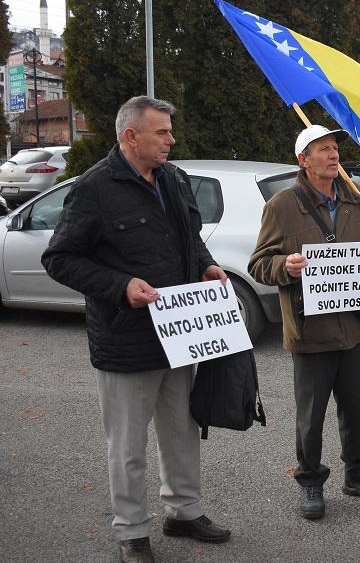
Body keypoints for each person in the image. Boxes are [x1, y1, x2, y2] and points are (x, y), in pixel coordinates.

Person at [41, 96, 231, 563]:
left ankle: (184, 512)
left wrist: (205, 266)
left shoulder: (175, 178)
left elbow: (190, 241)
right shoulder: (95, 188)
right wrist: (121, 285)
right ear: (131, 136)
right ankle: (131, 531)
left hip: (181, 333)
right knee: (127, 445)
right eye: (162, 132)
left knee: (182, 430)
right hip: (126, 339)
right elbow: (59, 258)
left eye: (169, 131)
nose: (172, 140)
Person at [248, 124, 360, 520]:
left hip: (355, 327)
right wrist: (285, 265)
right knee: (311, 416)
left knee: (358, 410)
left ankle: (358, 474)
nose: (333, 155)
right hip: (310, 331)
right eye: (323, 149)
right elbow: (259, 265)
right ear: (304, 160)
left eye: (335, 147)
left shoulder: (356, 200)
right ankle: (311, 482)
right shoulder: (282, 206)